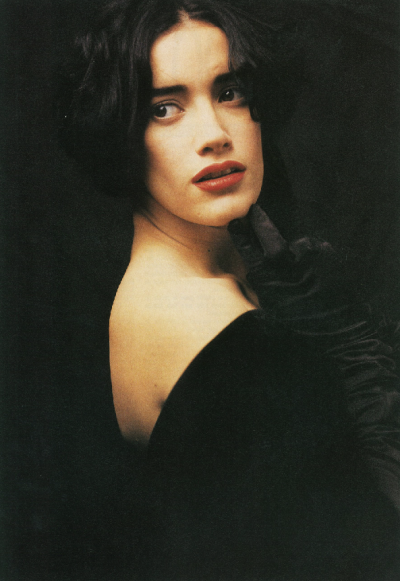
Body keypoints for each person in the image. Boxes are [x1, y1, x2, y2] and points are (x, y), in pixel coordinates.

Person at [58, 0, 400, 579]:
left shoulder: (214, 282)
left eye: (230, 92)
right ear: (120, 132)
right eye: (164, 108)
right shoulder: (202, 319)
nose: (215, 135)